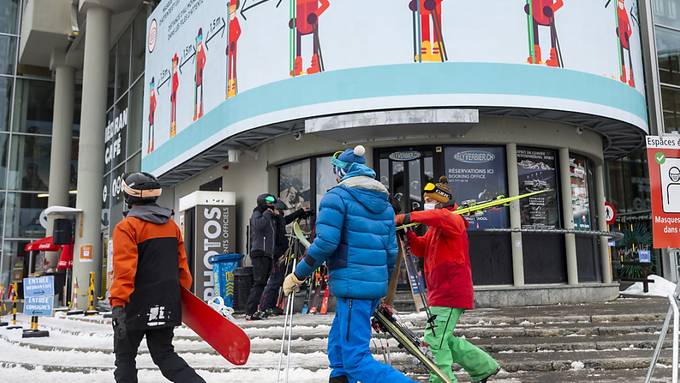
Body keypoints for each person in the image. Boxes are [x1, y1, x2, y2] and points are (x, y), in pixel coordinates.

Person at [283, 145, 415, 383]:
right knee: (339, 349)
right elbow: (390, 252)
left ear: (342, 172)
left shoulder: (336, 197)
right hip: (370, 288)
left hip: (353, 286)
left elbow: (325, 243)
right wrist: (383, 294)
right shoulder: (385, 205)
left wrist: (298, 275)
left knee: (355, 360)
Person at [395, 176, 499, 383]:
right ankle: (483, 367)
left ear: (441, 201)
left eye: (430, 199)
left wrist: (406, 217)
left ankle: (442, 379)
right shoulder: (436, 227)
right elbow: (420, 248)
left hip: (450, 291)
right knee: (444, 338)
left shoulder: (453, 220)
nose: (427, 203)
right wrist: (409, 234)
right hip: (439, 292)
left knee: (434, 340)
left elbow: (442, 217)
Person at [110, 172, 205, 383]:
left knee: (125, 359)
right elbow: (183, 269)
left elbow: (124, 270)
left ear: (129, 196)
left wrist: (118, 305)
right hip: (167, 303)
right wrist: (180, 298)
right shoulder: (172, 226)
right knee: (164, 355)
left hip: (134, 305)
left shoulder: (127, 227)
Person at [259, 201, 311, 316]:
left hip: (281, 253)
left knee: (277, 281)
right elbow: (271, 240)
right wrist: (277, 255)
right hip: (275, 255)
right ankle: (265, 306)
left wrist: (300, 212)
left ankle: (271, 305)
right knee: (274, 281)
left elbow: (286, 219)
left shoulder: (279, 219)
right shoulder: (271, 221)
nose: (281, 213)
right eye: (280, 211)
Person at [246, 193, 279, 320]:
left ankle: (255, 310)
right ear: (262, 202)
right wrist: (267, 214)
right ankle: (250, 311)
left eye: (272, 202)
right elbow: (259, 226)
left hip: (267, 254)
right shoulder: (257, 213)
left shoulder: (268, 216)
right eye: (269, 201)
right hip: (259, 253)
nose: (271, 204)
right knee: (259, 283)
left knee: (263, 283)